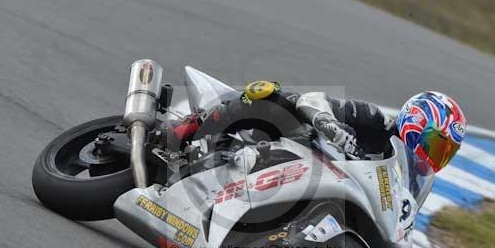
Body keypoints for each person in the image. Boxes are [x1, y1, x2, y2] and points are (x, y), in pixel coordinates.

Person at [164, 81, 466, 173]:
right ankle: (193, 127)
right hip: (296, 141)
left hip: (314, 178)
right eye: (437, 145)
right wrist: (330, 125)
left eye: (445, 153)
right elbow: (314, 99)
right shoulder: (376, 121)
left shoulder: (402, 177)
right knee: (276, 95)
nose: (435, 156)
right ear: (417, 123)